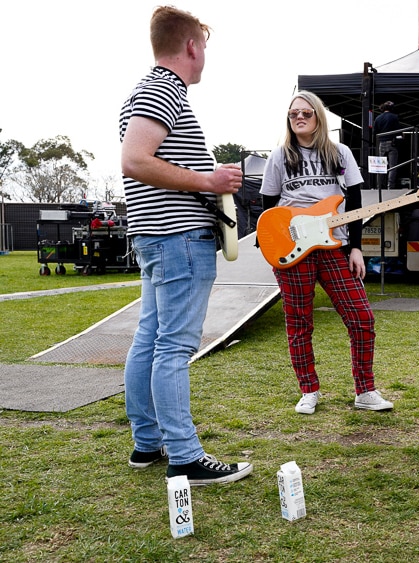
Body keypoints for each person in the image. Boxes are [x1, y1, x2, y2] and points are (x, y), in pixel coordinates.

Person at [120, 6, 253, 485]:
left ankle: (148, 441)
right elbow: (135, 160)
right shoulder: (162, 90)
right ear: (192, 46)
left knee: (150, 340)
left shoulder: (148, 89)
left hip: (156, 235)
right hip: (178, 238)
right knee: (172, 347)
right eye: (205, 48)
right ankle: (185, 455)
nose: (205, 58)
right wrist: (209, 179)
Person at [260, 90, 394, 415]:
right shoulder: (280, 156)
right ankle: (308, 390)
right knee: (299, 323)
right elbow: (267, 208)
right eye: (294, 114)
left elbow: (356, 204)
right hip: (294, 252)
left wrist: (357, 247)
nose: (299, 117)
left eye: (306, 112)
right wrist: (277, 245)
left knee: (362, 318)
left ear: (318, 116)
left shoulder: (340, 153)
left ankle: (365, 390)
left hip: (335, 247)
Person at [373, 101, 401, 189]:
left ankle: (379, 186)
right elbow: (398, 131)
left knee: (380, 166)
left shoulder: (378, 118)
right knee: (393, 166)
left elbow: (374, 132)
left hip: (381, 143)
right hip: (391, 143)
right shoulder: (394, 117)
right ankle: (390, 186)